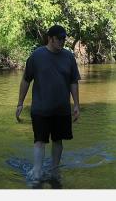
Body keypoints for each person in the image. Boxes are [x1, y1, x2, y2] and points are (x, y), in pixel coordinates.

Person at [15, 25, 81, 183]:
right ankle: (37, 170)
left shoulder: (69, 57)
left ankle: (54, 169)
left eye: (64, 38)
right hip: (40, 109)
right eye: (59, 38)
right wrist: (20, 103)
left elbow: (73, 82)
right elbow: (26, 80)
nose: (62, 42)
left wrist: (77, 105)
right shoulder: (37, 56)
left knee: (58, 141)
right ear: (50, 38)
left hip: (62, 109)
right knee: (39, 140)